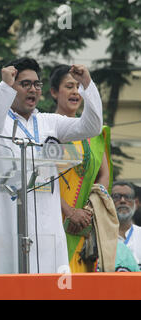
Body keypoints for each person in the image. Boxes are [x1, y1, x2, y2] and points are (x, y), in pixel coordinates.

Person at [0, 58, 103, 274]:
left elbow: (92, 126)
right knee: (11, 287)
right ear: (10, 85)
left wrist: (87, 85)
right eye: (25, 84)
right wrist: (4, 88)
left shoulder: (48, 122)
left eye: (36, 84)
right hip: (10, 222)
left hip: (48, 225)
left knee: (51, 287)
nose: (32, 89)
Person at [50, 64, 112, 272]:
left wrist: (88, 210)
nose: (75, 91)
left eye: (78, 86)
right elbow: (40, 179)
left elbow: (104, 175)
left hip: (84, 226)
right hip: (53, 222)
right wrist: (69, 212)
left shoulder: (94, 133)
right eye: (69, 86)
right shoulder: (47, 130)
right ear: (53, 92)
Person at [112, 181, 141, 267]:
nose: (123, 201)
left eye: (128, 197)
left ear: (135, 203)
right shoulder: (99, 236)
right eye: (116, 197)